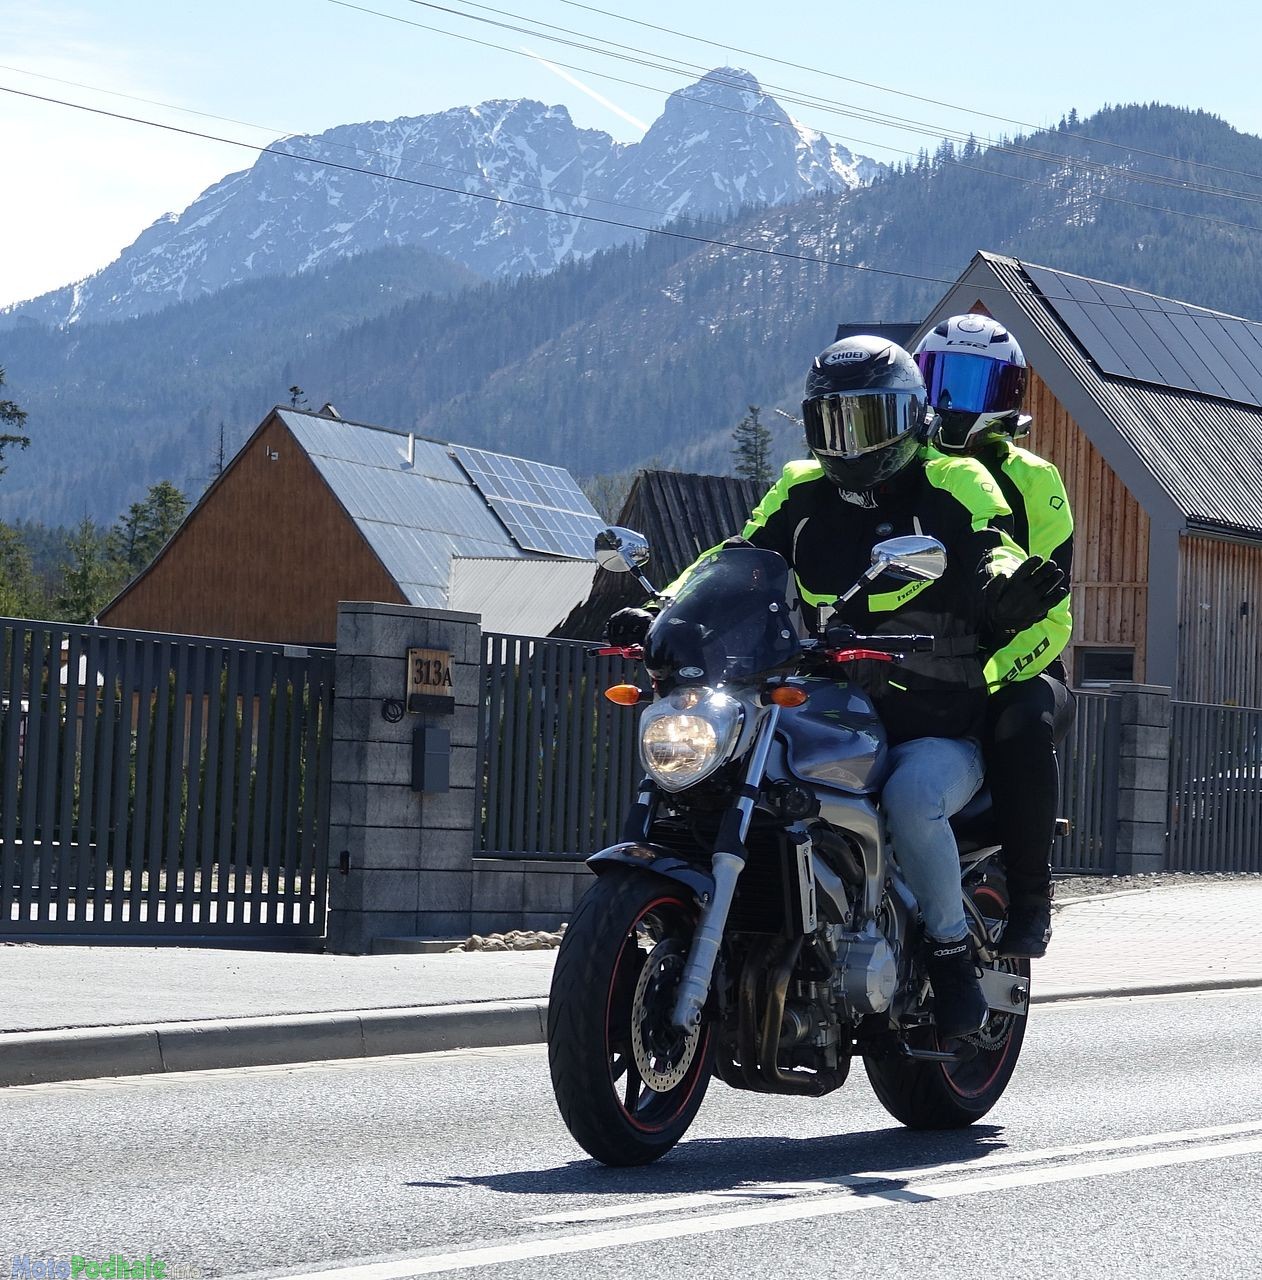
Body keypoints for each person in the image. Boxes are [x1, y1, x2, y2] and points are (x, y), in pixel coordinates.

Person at [609, 335, 1067, 1038]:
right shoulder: (800, 488)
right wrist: (663, 606)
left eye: (869, 420)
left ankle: (949, 957)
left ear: (910, 417)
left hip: (934, 719)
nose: (849, 441)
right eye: (833, 421)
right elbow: (736, 558)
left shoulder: (956, 481)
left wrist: (1005, 590)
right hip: (833, 703)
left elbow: (992, 547)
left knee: (911, 798)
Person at [914, 315, 1075, 958]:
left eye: (977, 383)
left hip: (1020, 660)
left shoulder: (1035, 480)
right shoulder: (906, 467)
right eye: (942, 379)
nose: (955, 401)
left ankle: (1032, 897)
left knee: (1023, 719)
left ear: (1008, 395)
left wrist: (981, 673)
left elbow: (1050, 607)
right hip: (917, 660)